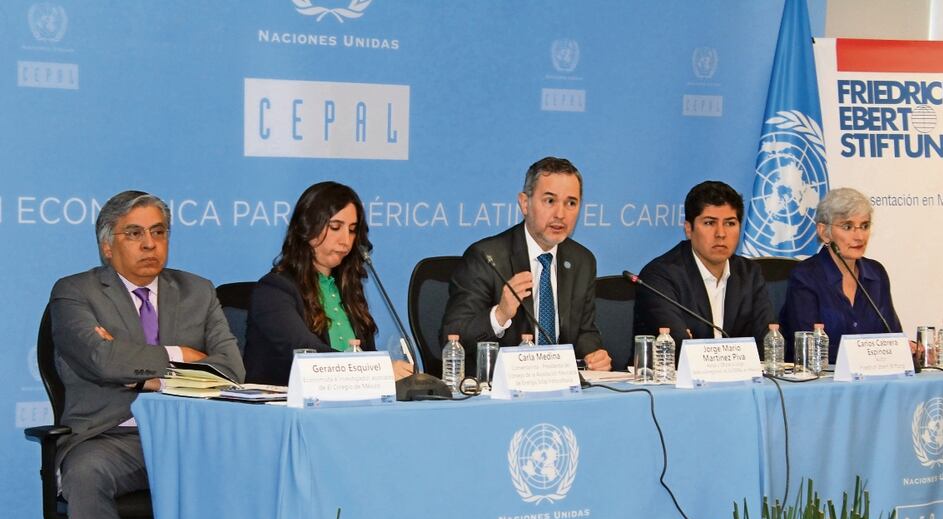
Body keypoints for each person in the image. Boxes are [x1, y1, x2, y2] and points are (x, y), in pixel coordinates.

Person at [49, 190, 245, 519]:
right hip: (113, 436)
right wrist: (181, 357)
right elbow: (100, 359)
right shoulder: (74, 292)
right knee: (83, 475)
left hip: (186, 437)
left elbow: (231, 369)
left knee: (241, 473)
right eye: (133, 233)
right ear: (106, 245)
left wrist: (138, 363)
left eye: (158, 232)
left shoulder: (197, 290)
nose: (149, 244)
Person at [441, 156, 612, 373]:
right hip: (503, 389)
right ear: (524, 203)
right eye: (550, 201)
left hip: (561, 387)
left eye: (571, 203)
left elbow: (584, 331)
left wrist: (593, 354)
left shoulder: (582, 260)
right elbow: (450, 337)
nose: (560, 214)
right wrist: (500, 314)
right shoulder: (486, 257)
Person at [243, 181, 414, 385]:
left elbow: (364, 354)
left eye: (352, 230)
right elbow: (306, 352)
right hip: (287, 409)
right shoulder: (273, 291)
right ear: (308, 227)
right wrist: (378, 370)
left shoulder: (347, 289)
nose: (346, 240)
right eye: (335, 227)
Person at [633, 180, 773, 355]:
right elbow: (677, 349)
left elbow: (768, 344)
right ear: (689, 229)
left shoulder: (750, 273)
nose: (721, 234)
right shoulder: (659, 277)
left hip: (741, 380)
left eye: (730, 223)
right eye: (709, 223)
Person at [780, 187, 902, 361]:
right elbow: (807, 348)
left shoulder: (876, 274)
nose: (859, 236)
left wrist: (907, 348)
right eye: (848, 226)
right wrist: (869, 353)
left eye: (864, 226)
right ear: (824, 232)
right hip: (822, 383)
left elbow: (892, 336)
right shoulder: (805, 277)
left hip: (872, 381)